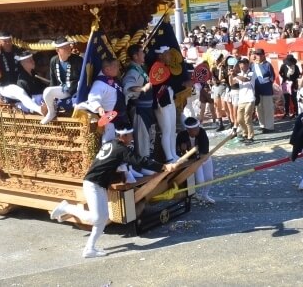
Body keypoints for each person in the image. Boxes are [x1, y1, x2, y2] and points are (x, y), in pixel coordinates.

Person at [49, 127, 177, 258]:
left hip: (99, 184)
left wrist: (126, 177)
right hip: (93, 184)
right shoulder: (120, 149)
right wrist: (164, 166)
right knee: (96, 218)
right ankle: (65, 207)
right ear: (123, 136)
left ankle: (89, 248)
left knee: (104, 217)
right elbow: (140, 161)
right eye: (130, 135)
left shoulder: (111, 144)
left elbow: (115, 165)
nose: (132, 138)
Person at [74, 58, 128, 143]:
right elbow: (93, 97)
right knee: (109, 143)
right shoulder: (99, 83)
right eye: (116, 66)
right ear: (107, 69)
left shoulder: (113, 78)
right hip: (110, 119)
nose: (118, 68)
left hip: (121, 117)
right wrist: (99, 107)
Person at [0, 51, 57, 121]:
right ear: (23, 63)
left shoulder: (33, 73)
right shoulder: (22, 80)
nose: (33, 61)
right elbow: (31, 96)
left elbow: (42, 87)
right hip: (34, 101)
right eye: (29, 60)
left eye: (32, 59)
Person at [42, 37, 83, 124]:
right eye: (65, 48)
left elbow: (82, 78)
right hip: (62, 89)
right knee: (47, 91)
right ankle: (51, 112)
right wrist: (53, 97)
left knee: (80, 83)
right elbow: (53, 80)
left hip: (75, 90)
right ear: (57, 50)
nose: (69, 49)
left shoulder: (78, 60)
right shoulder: (53, 60)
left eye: (69, 47)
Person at [177, 117, 214, 204]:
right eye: (194, 129)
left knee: (209, 177)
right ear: (188, 130)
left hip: (204, 157)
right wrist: (182, 149)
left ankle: (205, 195)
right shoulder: (181, 135)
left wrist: (199, 155)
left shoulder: (202, 132)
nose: (197, 130)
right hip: (192, 160)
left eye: (197, 128)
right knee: (200, 181)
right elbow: (178, 152)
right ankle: (193, 193)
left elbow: (204, 151)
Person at [231, 57, 256, 144]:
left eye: (244, 64)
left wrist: (235, 75)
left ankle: (251, 136)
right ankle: (245, 133)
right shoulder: (239, 74)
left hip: (250, 99)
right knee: (239, 119)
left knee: (247, 119)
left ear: (248, 65)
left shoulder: (252, 73)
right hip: (241, 100)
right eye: (240, 64)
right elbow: (232, 83)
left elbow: (246, 80)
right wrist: (231, 74)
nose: (242, 65)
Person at [279, 54, 302, 119]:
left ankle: (296, 112)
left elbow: (298, 75)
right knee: (286, 100)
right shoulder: (283, 66)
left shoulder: (296, 67)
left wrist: (295, 80)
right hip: (286, 84)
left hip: (293, 84)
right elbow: (280, 72)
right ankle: (286, 112)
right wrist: (284, 77)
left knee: (294, 99)